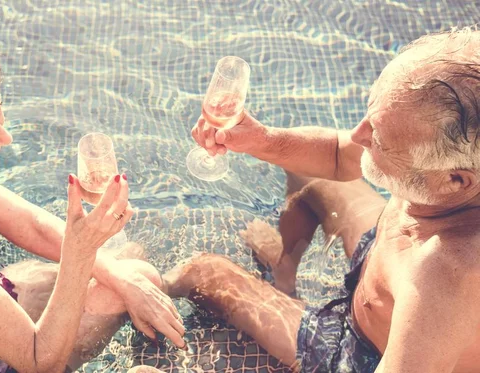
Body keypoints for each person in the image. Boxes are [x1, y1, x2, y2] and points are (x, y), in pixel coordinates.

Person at [164, 28, 480, 372]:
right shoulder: (444, 181)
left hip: (360, 353)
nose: (358, 135)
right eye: (370, 118)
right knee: (305, 169)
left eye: (381, 140)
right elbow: (334, 153)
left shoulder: (445, 277)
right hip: (383, 260)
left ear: (455, 179)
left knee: (201, 272)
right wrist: (259, 139)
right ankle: (283, 275)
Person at [0, 24, 185, 373]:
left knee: (132, 273)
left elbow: (32, 226)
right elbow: (40, 362)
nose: (5, 137)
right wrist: (81, 251)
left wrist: (123, 279)